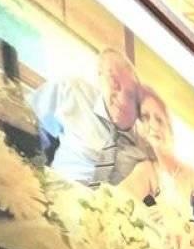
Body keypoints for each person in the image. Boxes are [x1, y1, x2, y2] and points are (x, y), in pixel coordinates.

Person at [120, 86, 194, 249]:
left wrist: (182, 231)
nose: (153, 125)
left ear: (169, 126)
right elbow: (114, 200)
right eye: (145, 117)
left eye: (159, 119)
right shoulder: (145, 170)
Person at [29, 48, 149, 187]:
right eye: (113, 80)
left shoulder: (143, 150)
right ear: (100, 77)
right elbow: (29, 121)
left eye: (130, 93)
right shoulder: (71, 91)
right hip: (56, 187)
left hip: (109, 200)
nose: (120, 95)